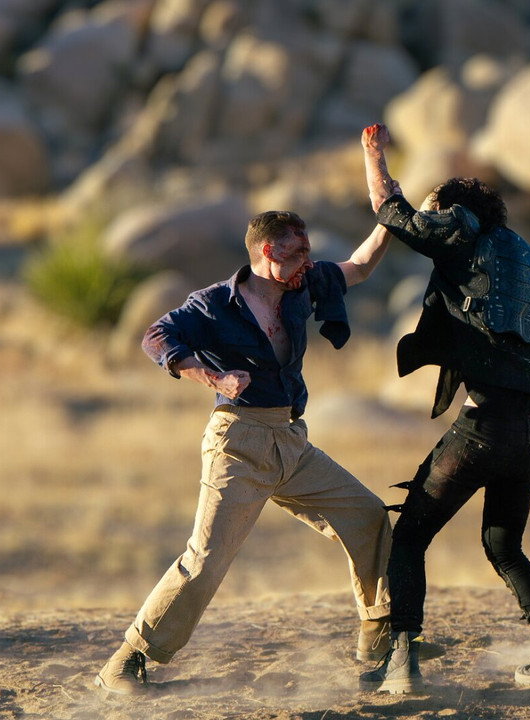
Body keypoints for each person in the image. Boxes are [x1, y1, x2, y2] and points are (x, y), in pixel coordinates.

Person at [94, 209, 399, 695]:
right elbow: (156, 337)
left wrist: (390, 218)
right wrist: (214, 378)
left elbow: (359, 266)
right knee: (207, 558)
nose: (308, 260)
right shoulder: (213, 304)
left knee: (367, 515)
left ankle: (378, 638)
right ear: (266, 252)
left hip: (291, 441)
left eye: (307, 250)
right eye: (296, 252)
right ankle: (127, 662)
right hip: (238, 442)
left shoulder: (304, 285)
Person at [356, 123, 530, 694]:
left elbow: (390, 209)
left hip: (483, 425)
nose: (436, 219)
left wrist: (373, 153)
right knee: (503, 545)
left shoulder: (460, 234)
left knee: (410, 536)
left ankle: (401, 666)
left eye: (441, 210)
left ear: (457, 212)